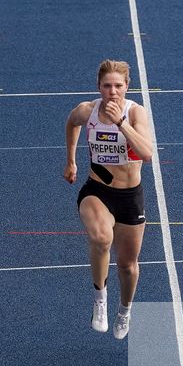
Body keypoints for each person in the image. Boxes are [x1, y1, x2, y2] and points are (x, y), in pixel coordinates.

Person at [62, 59, 154, 340]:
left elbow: (147, 154)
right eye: (107, 86)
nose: (112, 91)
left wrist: (121, 123)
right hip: (97, 190)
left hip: (130, 196)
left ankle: (124, 310)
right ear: (98, 87)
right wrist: (71, 161)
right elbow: (71, 123)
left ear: (127, 87)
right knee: (101, 238)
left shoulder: (136, 113)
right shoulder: (87, 111)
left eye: (118, 86)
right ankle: (99, 299)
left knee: (127, 265)